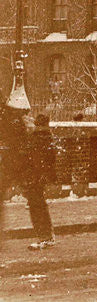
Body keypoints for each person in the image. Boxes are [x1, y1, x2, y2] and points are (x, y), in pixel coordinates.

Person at [0, 87, 56, 250]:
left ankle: (46, 236)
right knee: (35, 197)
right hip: (17, 160)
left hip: (22, 161)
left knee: (35, 196)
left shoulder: (10, 116)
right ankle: (45, 235)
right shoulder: (11, 115)